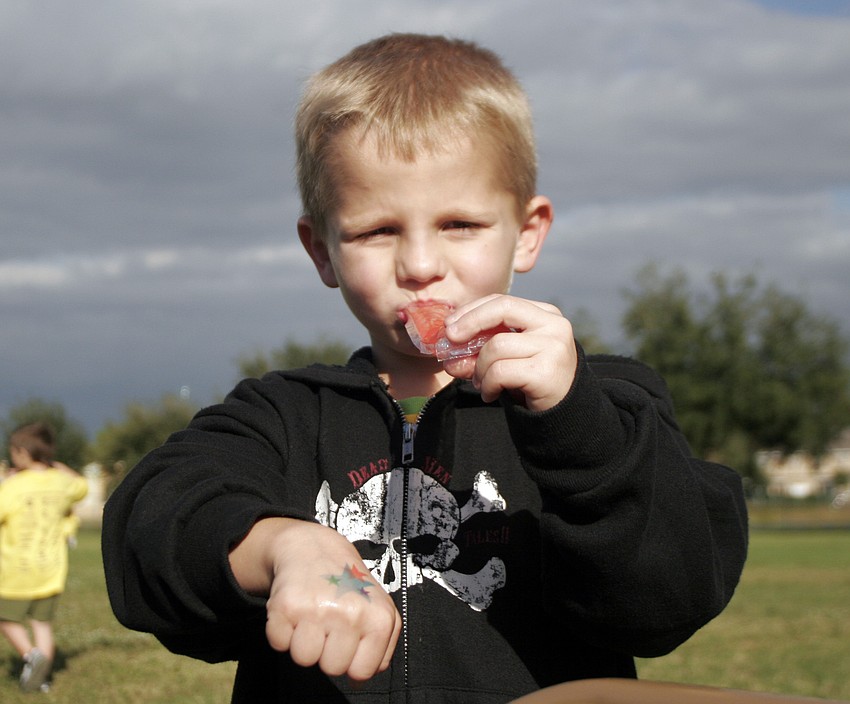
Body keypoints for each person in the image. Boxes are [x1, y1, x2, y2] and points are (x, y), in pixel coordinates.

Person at [102, 33, 748, 703]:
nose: (419, 265)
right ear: (321, 251)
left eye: (460, 224)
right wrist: (282, 546)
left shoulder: (605, 405)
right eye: (376, 231)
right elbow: (150, 531)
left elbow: (671, 597)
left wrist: (575, 422)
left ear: (527, 233)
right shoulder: (282, 416)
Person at [0, 421, 88, 692]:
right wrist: (56, 466)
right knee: (42, 625)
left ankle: (31, 656)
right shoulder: (61, 483)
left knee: (5, 618)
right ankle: (42, 681)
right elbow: (82, 486)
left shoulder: (14, 486)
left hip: (17, 570)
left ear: (22, 453)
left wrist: (6, 481)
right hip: (51, 570)